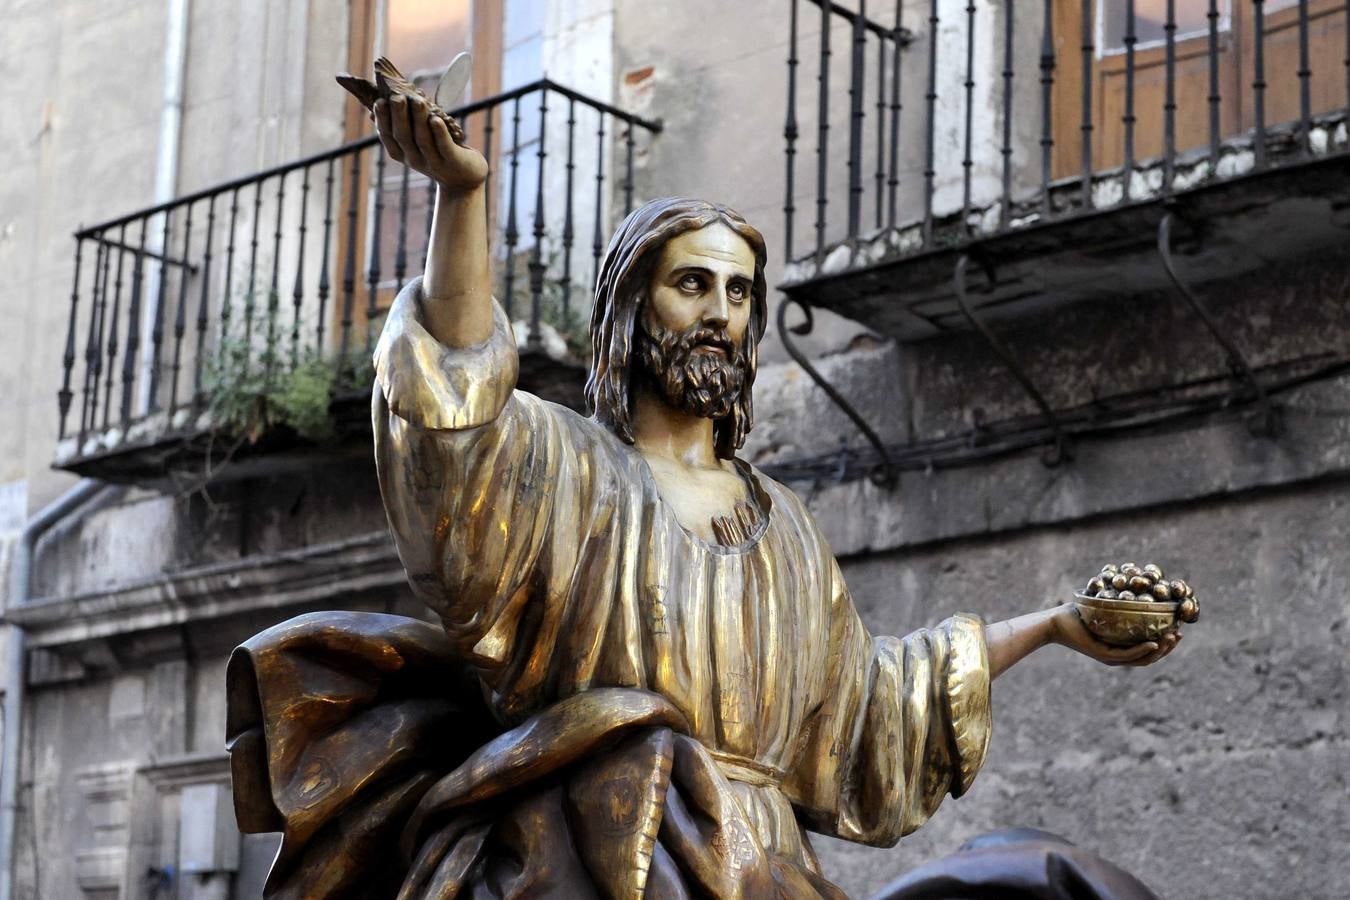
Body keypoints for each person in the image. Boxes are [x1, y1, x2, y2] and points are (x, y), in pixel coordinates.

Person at [226, 88, 1179, 899]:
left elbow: (868, 704)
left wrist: (1055, 625)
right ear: (636, 309)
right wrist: (463, 200)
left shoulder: (788, 530)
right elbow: (452, 418)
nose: (721, 312)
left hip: (757, 862)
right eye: (693, 284)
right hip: (584, 855)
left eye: (739, 292)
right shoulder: (559, 466)